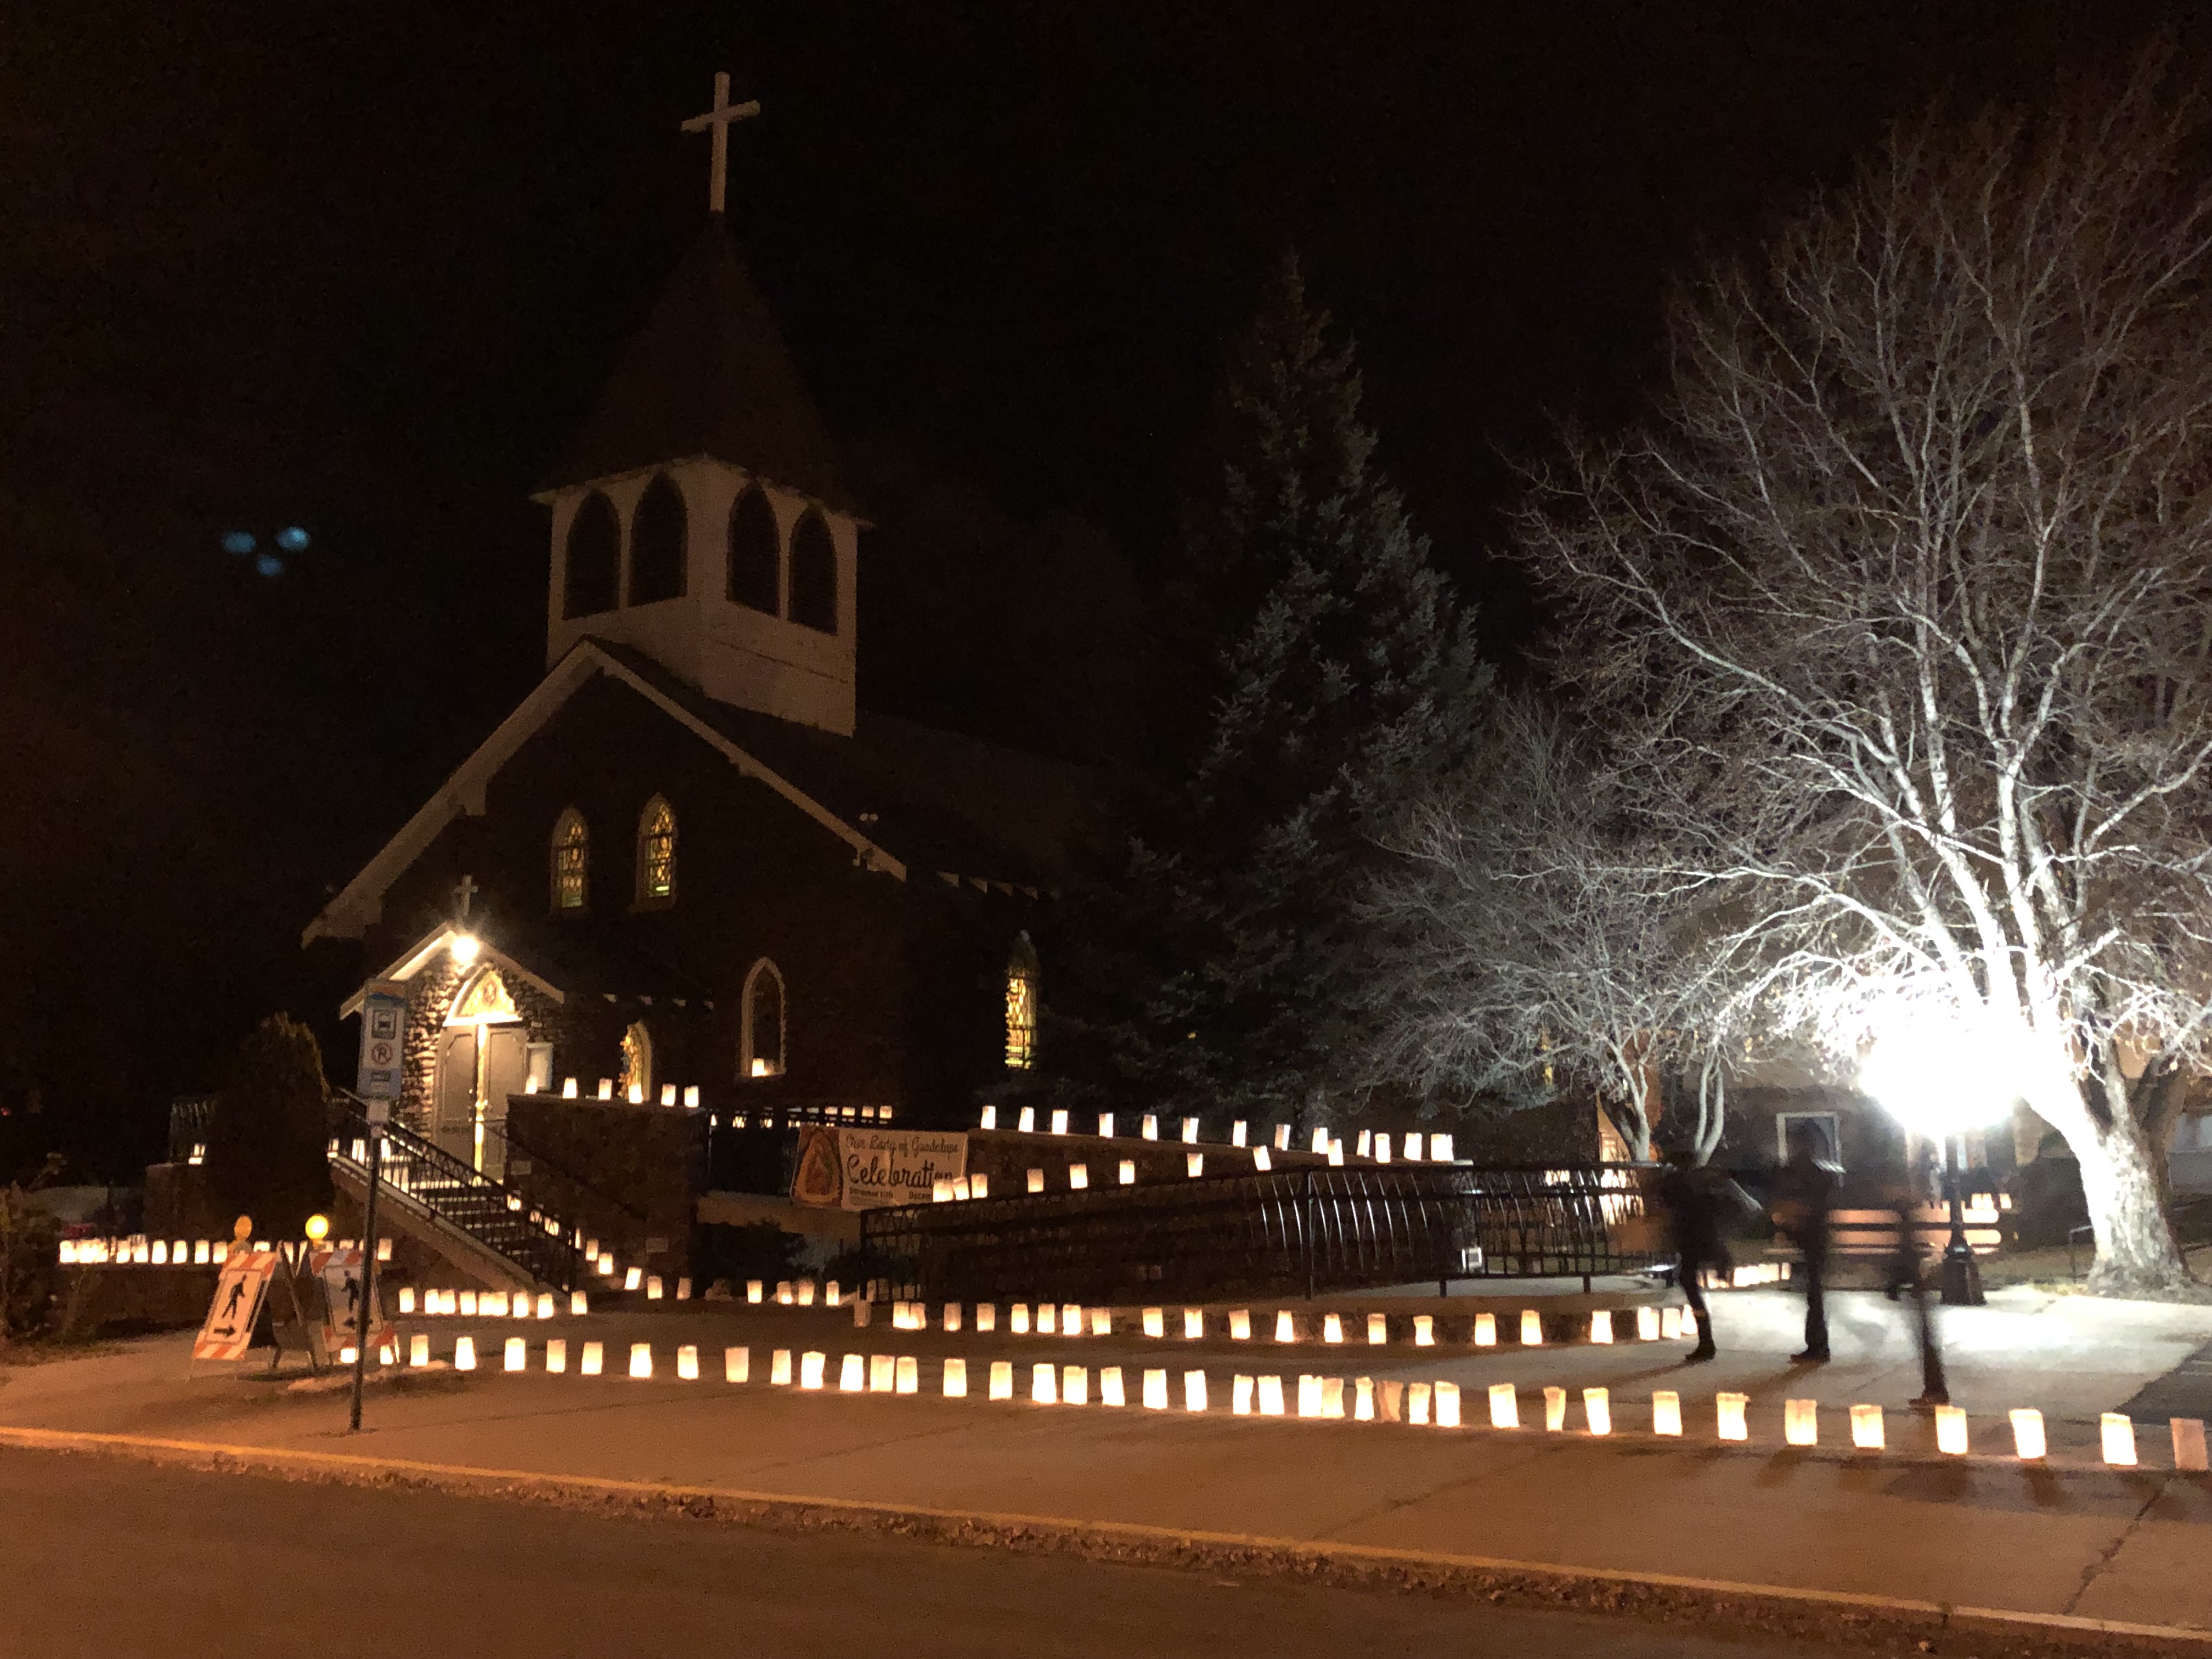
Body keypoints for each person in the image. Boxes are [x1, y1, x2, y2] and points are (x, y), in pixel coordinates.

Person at [1655, 1148, 1732, 1362]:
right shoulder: (1700, 1185)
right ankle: (1706, 1340)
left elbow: (1668, 1203)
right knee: (1689, 1284)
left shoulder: (1681, 1185)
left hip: (1692, 1242)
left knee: (1689, 1283)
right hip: (1699, 1241)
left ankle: (1706, 1341)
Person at [1770, 1128, 1839, 1363]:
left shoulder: (1812, 1173)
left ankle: (1818, 1346)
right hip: (1807, 1237)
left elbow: (1814, 1205)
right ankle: (1817, 1344)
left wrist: (1794, 1215)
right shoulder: (1804, 1171)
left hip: (1812, 1238)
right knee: (1813, 1294)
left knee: (1814, 1294)